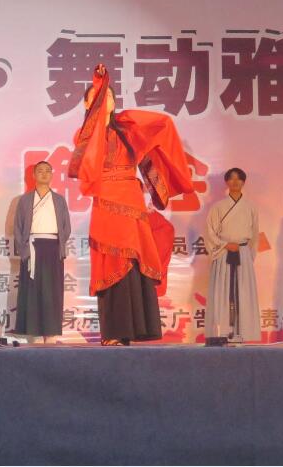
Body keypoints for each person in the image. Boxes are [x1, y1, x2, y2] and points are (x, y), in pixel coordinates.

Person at [69, 65, 193, 346]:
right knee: (111, 260)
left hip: (131, 199)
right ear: (88, 104)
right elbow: (91, 155)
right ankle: (114, 331)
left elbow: (161, 125)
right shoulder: (84, 135)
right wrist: (100, 91)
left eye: (109, 97)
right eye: (98, 97)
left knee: (135, 261)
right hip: (106, 201)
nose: (105, 101)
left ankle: (138, 329)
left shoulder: (127, 129)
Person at [12, 161, 71, 343]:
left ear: (52, 175)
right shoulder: (25, 200)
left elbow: (66, 227)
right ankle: (35, 333)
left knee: (52, 292)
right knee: (32, 292)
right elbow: (18, 227)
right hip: (32, 248)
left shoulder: (59, 200)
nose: (44, 174)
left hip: (53, 249)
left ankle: (51, 334)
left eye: (47, 171)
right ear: (33, 176)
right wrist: (24, 251)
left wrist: (59, 246)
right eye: (40, 171)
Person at [202, 168, 259, 342]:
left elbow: (254, 235)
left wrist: (248, 254)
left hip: (243, 252)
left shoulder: (251, 207)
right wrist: (225, 244)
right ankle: (222, 333)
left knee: (243, 291)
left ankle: (243, 333)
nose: (235, 182)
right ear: (226, 182)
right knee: (222, 292)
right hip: (223, 252)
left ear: (243, 182)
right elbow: (210, 232)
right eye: (231, 179)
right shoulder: (217, 207)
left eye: (239, 179)